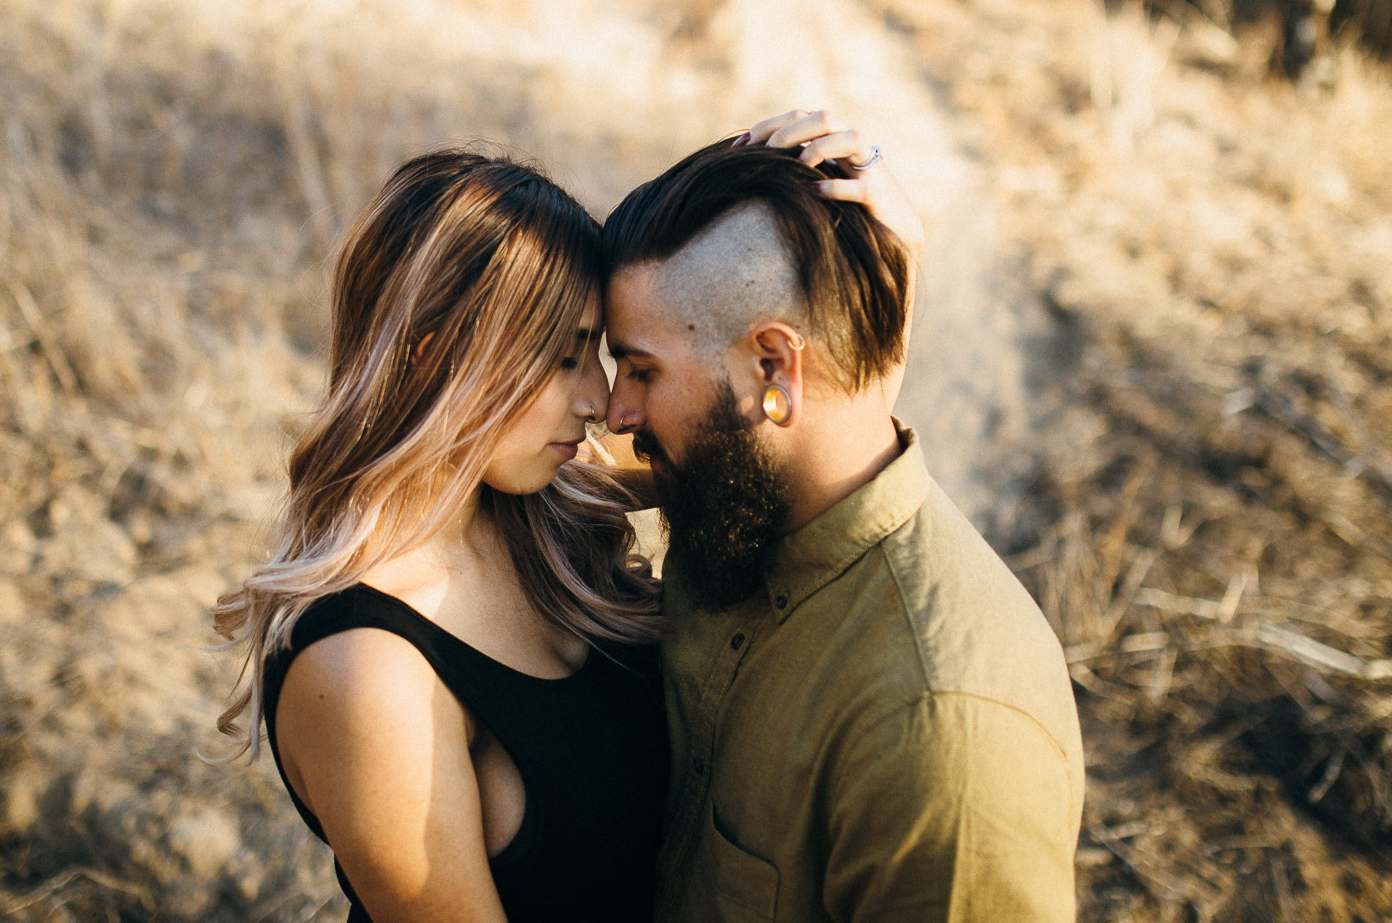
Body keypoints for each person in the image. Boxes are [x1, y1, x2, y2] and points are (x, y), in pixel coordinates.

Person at [602, 110, 1085, 923]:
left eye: (641, 371)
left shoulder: (942, 733)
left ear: (773, 366)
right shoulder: (736, 491)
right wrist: (888, 283)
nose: (614, 414)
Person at [212, 150, 667, 923]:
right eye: (563, 359)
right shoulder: (366, 671)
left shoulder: (543, 496)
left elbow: (779, 438)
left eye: (598, 355)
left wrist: (882, 256)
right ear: (437, 358)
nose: (597, 398)